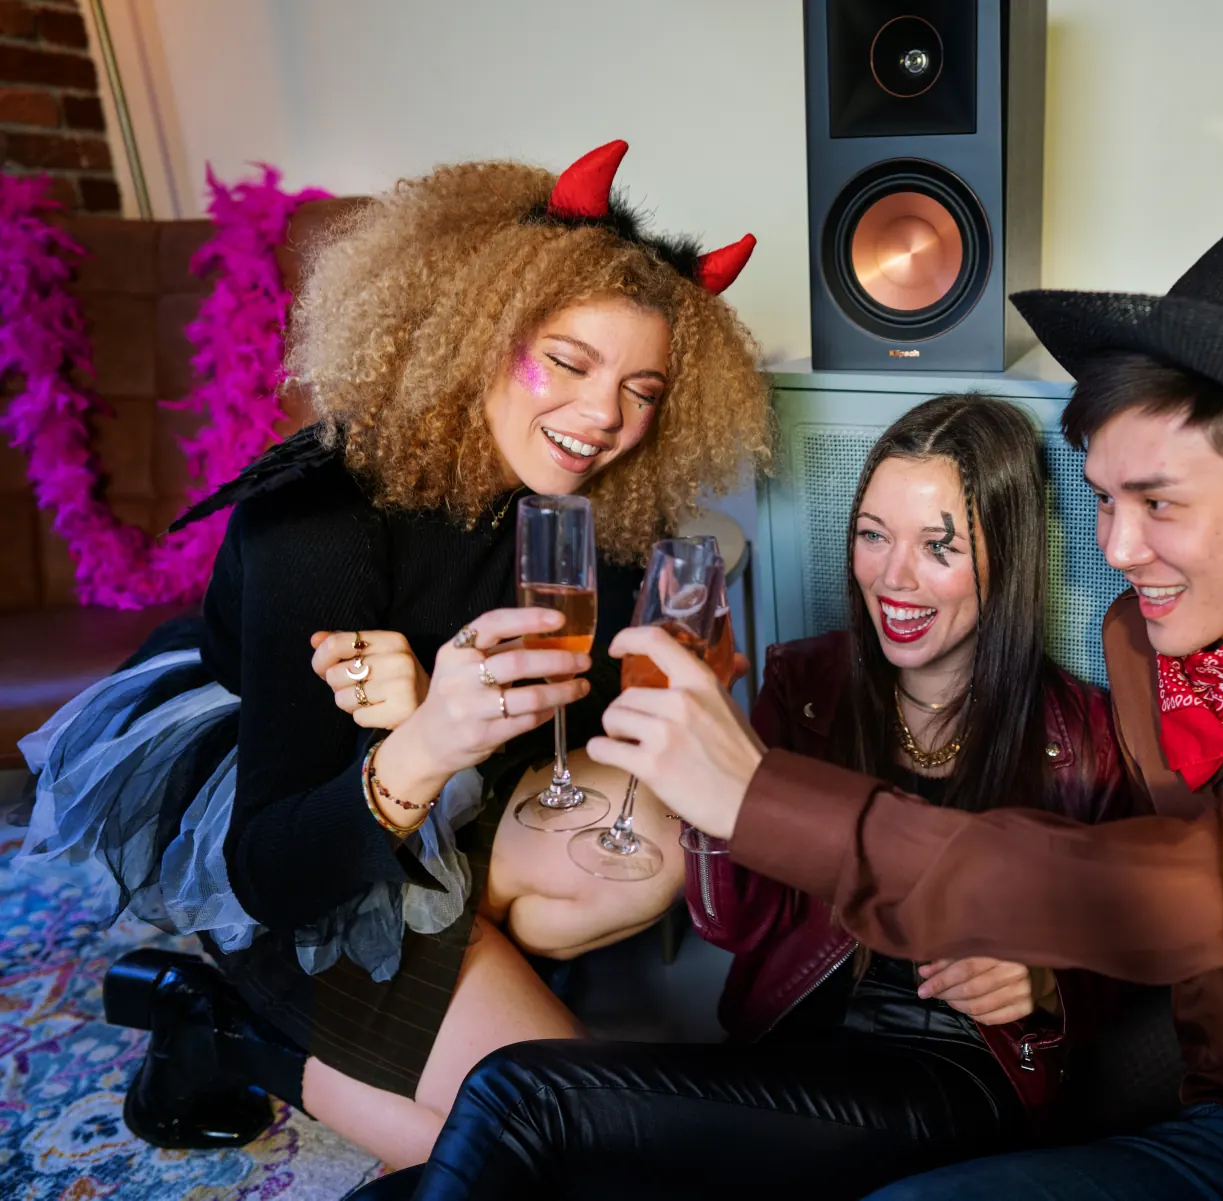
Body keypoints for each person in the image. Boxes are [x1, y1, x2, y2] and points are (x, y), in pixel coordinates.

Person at [588, 232, 1223, 1200]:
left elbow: (1198, 889)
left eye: (1158, 504)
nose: (1116, 546)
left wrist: (765, 796)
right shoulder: (1140, 647)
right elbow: (1088, 879)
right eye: (1104, 500)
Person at [16, 140, 770, 1169]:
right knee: (557, 1150)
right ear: (477, 333)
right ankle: (236, 1022)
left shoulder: (597, 511)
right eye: (568, 360)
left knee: (649, 849)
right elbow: (273, 870)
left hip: (451, 782)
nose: (606, 418)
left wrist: (679, 697)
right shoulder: (316, 522)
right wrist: (419, 740)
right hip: (291, 811)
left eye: (644, 388)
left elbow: (581, 716)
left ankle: (438, 965)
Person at [384, 394, 1131, 1201]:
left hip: (955, 1078)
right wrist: (712, 778)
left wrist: (1049, 983)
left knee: (519, 1094)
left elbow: (1145, 936)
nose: (893, 576)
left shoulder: (1083, 736)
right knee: (500, 1163)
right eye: (872, 536)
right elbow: (738, 922)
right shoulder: (809, 685)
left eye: (938, 546)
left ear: (1007, 555)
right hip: (794, 1058)